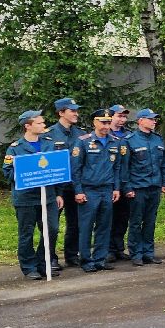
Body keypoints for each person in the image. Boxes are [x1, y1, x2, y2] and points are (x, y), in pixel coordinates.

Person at [3, 110, 67, 280]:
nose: (43, 125)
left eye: (43, 122)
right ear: (28, 126)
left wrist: (59, 193)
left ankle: (43, 262)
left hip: (49, 196)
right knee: (27, 233)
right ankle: (29, 267)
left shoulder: (49, 143)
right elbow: (7, 173)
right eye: (39, 123)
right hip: (26, 198)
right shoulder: (15, 148)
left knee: (51, 230)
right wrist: (26, 172)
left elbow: (57, 171)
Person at [71, 109, 123, 272]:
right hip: (89, 190)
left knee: (104, 226)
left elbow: (117, 168)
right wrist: (78, 190)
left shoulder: (114, 141)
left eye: (108, 122)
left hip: (107, 190)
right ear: (94, 122)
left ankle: (100, 258)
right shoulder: (84, 142)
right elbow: (76, 169)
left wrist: (116, 188)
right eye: (103, 122)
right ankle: (86, 260)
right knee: (86, 227)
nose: (106, 126)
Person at [121, 108, 165, 266]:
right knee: (135, 221)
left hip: (154, 187)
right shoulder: (130, 140)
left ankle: (148, 252)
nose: (154, 121)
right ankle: (136, 253)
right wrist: (127, 188)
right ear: (140, 120)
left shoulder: (157, 139)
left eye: (155, 119)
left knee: (150, 221)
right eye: (150, 119)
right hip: (138, 187)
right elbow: (124, 167)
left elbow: (164, 163)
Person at [46, 97, 84, 269]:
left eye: (76, 110)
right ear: (61, 113)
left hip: (75, 185)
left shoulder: (81, 134)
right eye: (72, 111)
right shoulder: (49, 134)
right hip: (56, 187)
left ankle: (71, 254)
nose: (76, 113)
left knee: (75, 222)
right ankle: (51, 257)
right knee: (52, 224)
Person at [107, 104, 133, 261]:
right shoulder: (103, 134)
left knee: (123, 217)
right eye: (119, 116)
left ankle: (118, 247)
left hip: (126, 181)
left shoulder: (129, 136)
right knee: (108, 217)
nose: (122, 119)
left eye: (124, 116)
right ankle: (107, 249)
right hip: (109, 182)